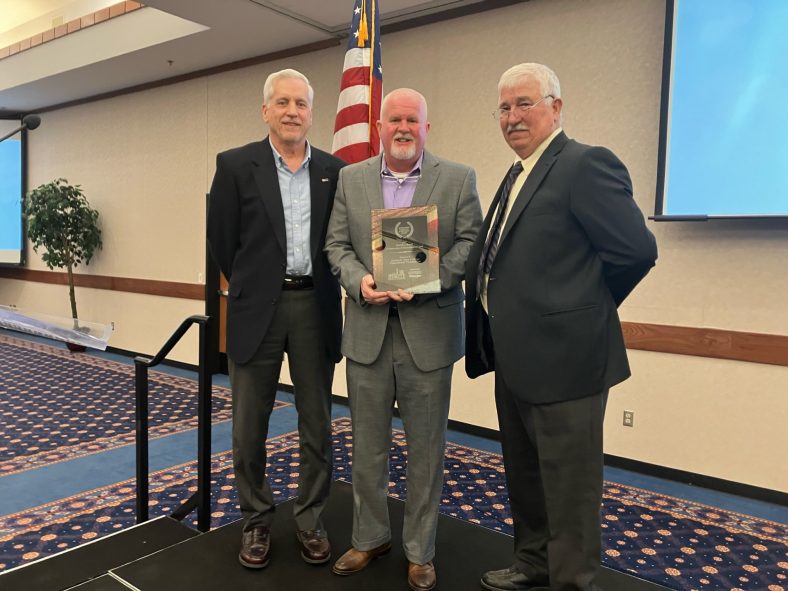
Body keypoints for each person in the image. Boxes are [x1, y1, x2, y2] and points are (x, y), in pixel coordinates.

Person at [465, 63, 658, 591]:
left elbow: (636, 251)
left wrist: (582, 310)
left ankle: (571, 583)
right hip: (517, 359)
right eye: (504, 107)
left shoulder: (584, 164)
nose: (512, 117)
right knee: (525, 479)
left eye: (524, 103)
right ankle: (532, 564)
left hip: (568, 364)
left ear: (556, 106)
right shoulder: (517, 172)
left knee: (570, 491)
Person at [325, 88, 482, 591]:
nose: (403, 128)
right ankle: (370, 538)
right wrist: (358, 281)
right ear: (379, 126)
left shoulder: (457, 178)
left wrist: (428, 278)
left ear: (426, 128)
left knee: (426, 450)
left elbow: (471, 244)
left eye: (412, 120)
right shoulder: (350, 179)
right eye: (394, 118)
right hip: (368, 334)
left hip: (428, 335)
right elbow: (336, 245)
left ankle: (420, 551)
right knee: (366, 448)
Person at [207, 68, 345, 569]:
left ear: (312, 113)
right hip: (255, 310)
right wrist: (255, 284)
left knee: (318, 426)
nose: (292, 112)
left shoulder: (335, 170)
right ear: (266, 110)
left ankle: (309, 520)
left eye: (301, 104)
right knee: (249, 428)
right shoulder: (235, 165)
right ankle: (258, 520)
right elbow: (224, 242)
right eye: (282, 102)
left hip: (315, 308)